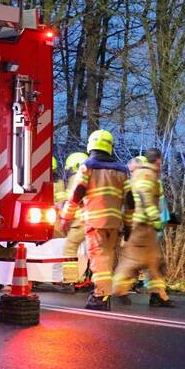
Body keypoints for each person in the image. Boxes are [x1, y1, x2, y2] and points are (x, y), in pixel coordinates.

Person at [60, 130, 128, 310]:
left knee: (98, 260)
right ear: (109, 146)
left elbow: (76, 195)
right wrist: (128, 224)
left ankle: (100, 296)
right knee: (107, 258)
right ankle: (104, 294)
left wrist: (66, 217)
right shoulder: (122, 170)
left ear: (91, 145)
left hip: (94, 222)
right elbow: (130, 201)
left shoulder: (87, 167)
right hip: (114, 223)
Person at [113, 148, 174, 307]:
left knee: (155, 263)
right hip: (141, 226)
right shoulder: (146, 175)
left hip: (144, 228)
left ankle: (158, 295)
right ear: (158, 161)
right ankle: (119, 290)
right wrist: (155, 217)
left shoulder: (143, 174)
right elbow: (144, 196)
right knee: (131, 262)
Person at [56, 152, 89, 285]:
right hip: (97, 221)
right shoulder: (95, 177)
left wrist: (65, 218)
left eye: (70, 168)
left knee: (69, 248)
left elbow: (72, 201)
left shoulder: (76, 179)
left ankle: (69, 280)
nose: (68, 172)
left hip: (81, 221)